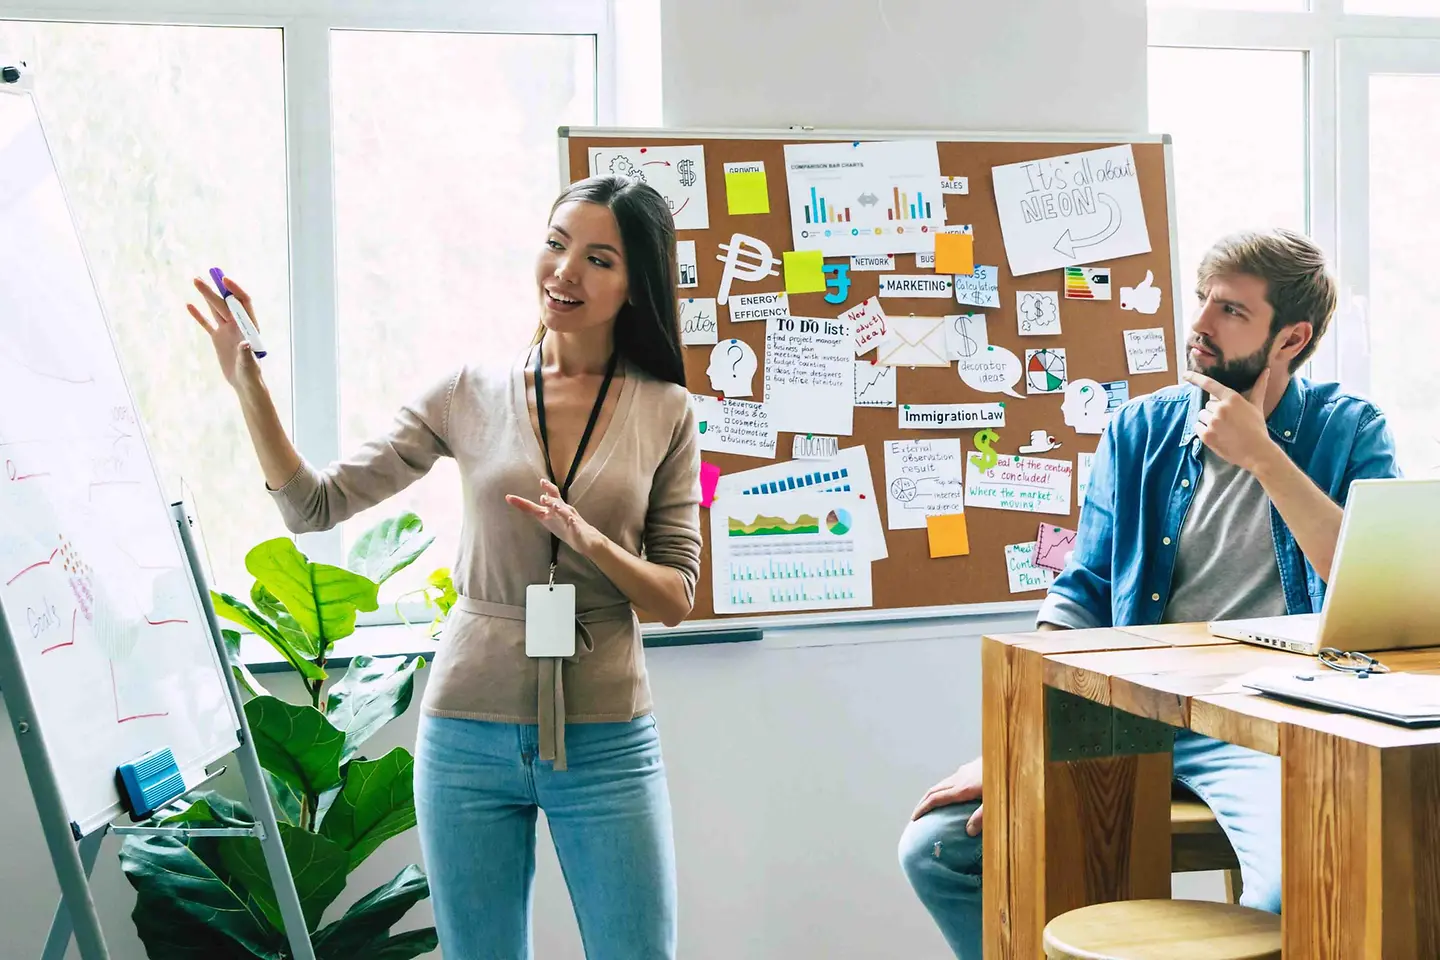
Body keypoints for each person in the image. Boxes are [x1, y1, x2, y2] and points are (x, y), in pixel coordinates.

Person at [189, 175, 702, 960]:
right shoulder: (469, 391)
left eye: (600, 259)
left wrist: (590, 539)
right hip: (467, 732)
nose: (565, 273)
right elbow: (313, 506)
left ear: (636, 285)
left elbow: (674, 596)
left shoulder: (665, 408)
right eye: (557, 244)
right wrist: (247, 383)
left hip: (605, 737)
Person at [897, 228, 1400, 959]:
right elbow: (1084, 593)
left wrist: (1262, 455)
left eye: (1230, 311)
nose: (1198, 325)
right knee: (939, 851)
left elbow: (1368, 586)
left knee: (1290, 895)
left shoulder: (1348, 430)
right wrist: (1016, 740)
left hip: (1271, 727)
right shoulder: (1141, 428)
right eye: (1202, 300)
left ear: (1292, 338)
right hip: (1134, 713)